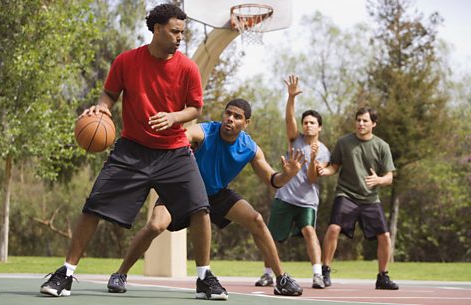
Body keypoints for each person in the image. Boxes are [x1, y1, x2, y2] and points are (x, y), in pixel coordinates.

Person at [40, 4, 227, 300]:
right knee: (93, 207)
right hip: (132, 151)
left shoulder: (187, 68)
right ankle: (66, 273)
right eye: (175, 31)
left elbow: (195, 107)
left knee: (200, 209)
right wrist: (102, 108)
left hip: (174, 153)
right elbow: (110, 93)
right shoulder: (126, 61)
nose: (180, 37)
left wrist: (174, 117)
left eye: (183, 32)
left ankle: (204, 278)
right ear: (156, 28)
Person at [107, 98, 305, 297]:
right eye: (228, 113)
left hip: (216, 194)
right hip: (182, 190)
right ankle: (120, 274)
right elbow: (187, 134)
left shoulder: (250, 148)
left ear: (246, 123)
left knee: (257, 220)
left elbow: (272, 180)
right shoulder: (206, 131)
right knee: (155, 226)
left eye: (237, 117)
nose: (230, 119)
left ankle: (281, 280)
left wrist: (288, 174)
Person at [255, 75, 330, 289]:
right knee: (273, 237)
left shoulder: (324, 151)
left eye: (312, 123)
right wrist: (291, 98)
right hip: (285, 197)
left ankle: (317, 275)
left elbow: (313, 178)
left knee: (309, 231)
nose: (307, 125)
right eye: (305, 122)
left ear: (319, 127)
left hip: (307, 201)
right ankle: (268, 274)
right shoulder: (294, 139)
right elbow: (289, 120)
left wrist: (314, 159)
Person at [317, 106, 399, 290]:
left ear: (373, 124)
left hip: (370, 198)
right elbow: (334, 167)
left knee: (385, 236)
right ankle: (325, 271)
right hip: (346, 194)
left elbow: (389, 177)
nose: (361, 124)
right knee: (333, 228)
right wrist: (324, 171)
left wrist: (378, 179)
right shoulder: (344, 142)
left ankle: (382, 277)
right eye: (358, 120)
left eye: (365, 121)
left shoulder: (382, 146)